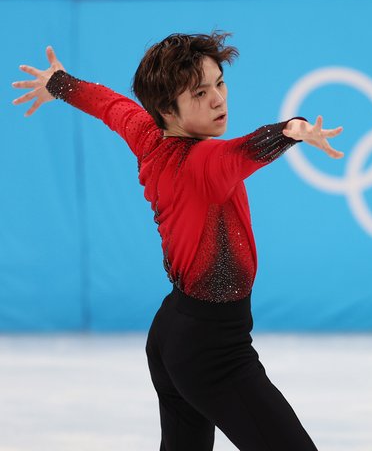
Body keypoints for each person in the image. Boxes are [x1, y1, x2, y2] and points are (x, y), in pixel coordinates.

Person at [11, 31, 344, 451]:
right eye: (200, 93)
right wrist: (291, 130)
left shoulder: (148, 135)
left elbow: (110, 106)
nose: (219, 100)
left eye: (219, 83)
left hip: (174, 333)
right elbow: (243, 152)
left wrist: (61, 84)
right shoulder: (201, 164)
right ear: (168, 109)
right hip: (213, 353)